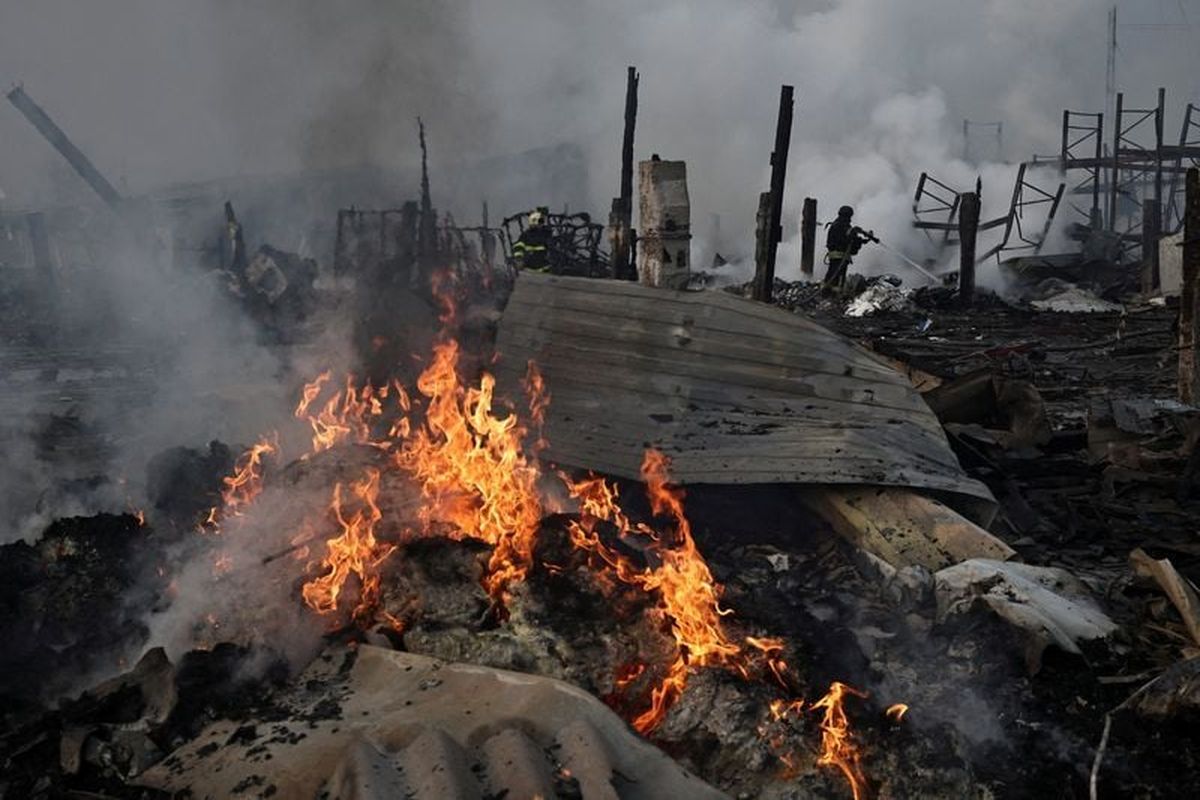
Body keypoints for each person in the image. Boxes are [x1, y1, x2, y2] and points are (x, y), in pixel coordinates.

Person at [823, 205, 877, 287]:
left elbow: (850, 239)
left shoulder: (836, 225)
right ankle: (832, 294)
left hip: (837, 256)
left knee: (833, 275)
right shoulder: (842, 226)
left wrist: (863, 240)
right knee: (837, 278)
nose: (850, 219)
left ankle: (828, 292)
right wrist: (861, 240)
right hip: (840, 257)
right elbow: (849, 240)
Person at [513, 208, 552, 273]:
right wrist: (519, 259)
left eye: (542, 222)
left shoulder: (547, 234)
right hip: (529, 270)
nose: (541, 224)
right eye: (540, 221)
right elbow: (518, 247)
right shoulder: (526, 235)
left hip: (545, 270)